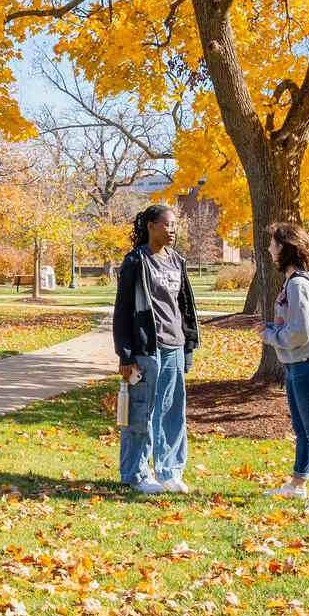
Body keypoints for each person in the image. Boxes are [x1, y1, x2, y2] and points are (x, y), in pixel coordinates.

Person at [112, 204, 200, 495]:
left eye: (175, 225)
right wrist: (125, 355)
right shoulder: (136, 262)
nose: (172, 230)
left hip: (174, 346)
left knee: (173, 412)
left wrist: (187, 346)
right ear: (151, 225)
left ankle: (170, 471)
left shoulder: (177, 261)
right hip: (147, 348)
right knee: (142, 412)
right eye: (167, 224)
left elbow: (184, 306)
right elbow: (122, 311)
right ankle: (136, 474)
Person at [258, 222, 309, 516]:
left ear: (285, 248)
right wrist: (269, 328)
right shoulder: (291, 282)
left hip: (306, 366)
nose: (269, 249)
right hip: (294, 366)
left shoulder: (299, 284)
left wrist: (269, 335)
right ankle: (297, 483)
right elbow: (291, 326)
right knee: (302, 430)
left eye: (273, 244)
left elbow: (300, 332)